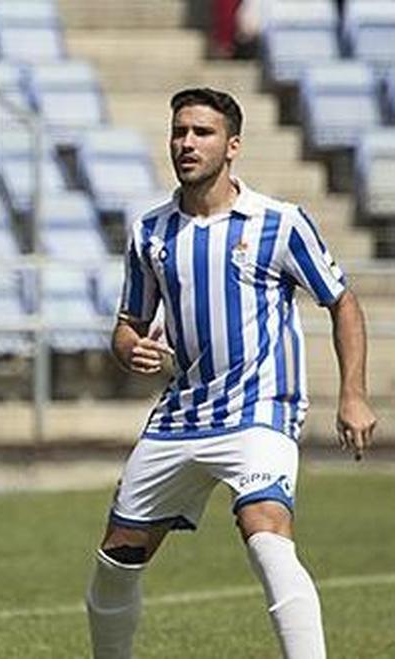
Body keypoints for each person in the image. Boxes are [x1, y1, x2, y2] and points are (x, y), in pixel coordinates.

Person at [85, 87, 377, 659]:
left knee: (265, 533)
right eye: (179, 132)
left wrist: (354, 395)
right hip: (180, 415)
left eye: (202, 133)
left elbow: (342, 302)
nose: (187, 143)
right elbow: (128, 323)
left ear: (233, 145)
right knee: (116, 561)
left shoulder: (280, 223)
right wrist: (129, 348)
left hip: (260, 409)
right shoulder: (150, 232)